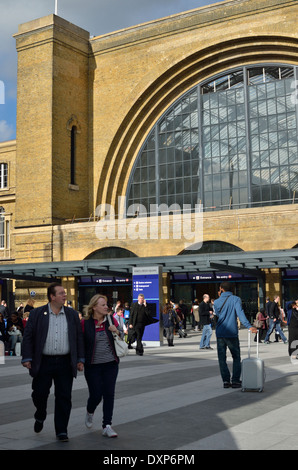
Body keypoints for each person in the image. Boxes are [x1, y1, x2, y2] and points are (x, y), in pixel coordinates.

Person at [21, 282, 85, 442]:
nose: (65, 295)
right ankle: (40, 414)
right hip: (43, 362)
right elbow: (28, 337)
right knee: (39, 393)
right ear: (52, 296)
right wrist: (27, 357)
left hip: (65, 362)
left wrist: (80, 359)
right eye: (61, 293)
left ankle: (61, 430)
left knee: (64, 396)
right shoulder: (37, 314)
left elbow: (78, 338)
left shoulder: (71, 314)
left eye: (64, 293)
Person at [82, 294, 122, 438]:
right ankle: (90, 411)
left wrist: (116, 331)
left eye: (106, 304)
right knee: (96, 394)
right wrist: (79, 361)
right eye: (103, 305)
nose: (106, 307)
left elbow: (122, 336)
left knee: (109, 394)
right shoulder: (85, 323)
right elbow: (80, 343)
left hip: (111, 364)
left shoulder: (111, 320)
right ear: (94, 307)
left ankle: (107, 425)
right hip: (92, 365)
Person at [213, 281, 257, 388]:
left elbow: (218, 315)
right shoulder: (236, 299)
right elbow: (240, 314)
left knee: (222, 358)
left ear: (221, 289)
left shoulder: (216, 302)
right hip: (231, 333)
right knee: (236, 357)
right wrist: (249, 326)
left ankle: (226, 381)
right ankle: (236, 380)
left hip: (220, 333)